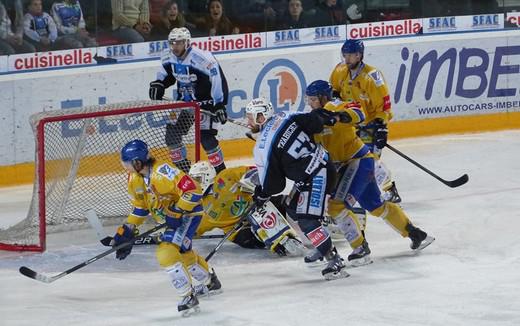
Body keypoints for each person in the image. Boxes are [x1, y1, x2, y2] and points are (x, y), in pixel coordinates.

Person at [304, 80, 435, 266]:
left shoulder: (338, 106)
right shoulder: (312, 119)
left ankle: (360, 249)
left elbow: (358, 113)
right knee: (375, 205)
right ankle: (415, 233)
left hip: (358, 162)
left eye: (313, 99)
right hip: (344, 166)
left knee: (336, 207)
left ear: (324, 97)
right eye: (308, 99)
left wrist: (337, 117)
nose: (310, 103)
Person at [245, 97, 351, 280]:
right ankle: (322, 245)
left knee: (307, 220)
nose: (248, 122)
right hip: (322, 164)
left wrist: (262, 194)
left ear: (262, 117)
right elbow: (315, 122)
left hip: (316, 175)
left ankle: (334, 260)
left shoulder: (262, 147)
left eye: (251, 117)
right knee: (292, 209)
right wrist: (330, 118)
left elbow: (274, 185)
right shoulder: (285, 115)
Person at [113, 139, 222, 315]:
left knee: (166, 253)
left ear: (137, 162)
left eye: (127, 163)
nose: (125, 166)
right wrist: (126, 230)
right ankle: (210, 281)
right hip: (172, 217)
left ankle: (188, 296)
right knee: (183, 255)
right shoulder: (134, 179)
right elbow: (140, 208)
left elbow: (193, 191)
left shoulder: (164, 172)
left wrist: (177, 210)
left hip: (189, 214)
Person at [330, 39, 402, 204]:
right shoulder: (339, 71)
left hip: (370, 125)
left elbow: (384, 107)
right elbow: (333, 90)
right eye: (345, 55)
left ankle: (389, 188)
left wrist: (381, 127)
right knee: (349, 161)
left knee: (370, 161)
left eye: (351, 55)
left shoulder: (372, 77)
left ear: (359, 55)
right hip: (350, 126)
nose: (347, 58)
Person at [149, 27, 229, 174]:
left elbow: (218, 79)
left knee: (206, 139)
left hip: (206, 103)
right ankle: (188, 173)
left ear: (187, 43)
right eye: (172, 43)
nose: (175, 47)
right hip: (184, 103)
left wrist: (219, 104)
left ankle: (222, 174)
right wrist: (159, 84)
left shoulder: (202, 59)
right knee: (172, 136)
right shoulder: (167, 56)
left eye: (178, 43)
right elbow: (168, 75)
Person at [189, 161, 305, 256]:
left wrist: (253, 181)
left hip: (259, 205)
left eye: (197, 179)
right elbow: (192, 229)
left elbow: (252, 172)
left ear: (207, 175)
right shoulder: (200, 206)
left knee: (289, 201)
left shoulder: (225, 176)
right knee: (250, 237)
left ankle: (312, 219)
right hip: (239, 230)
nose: (195, 184)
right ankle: (276, 239)